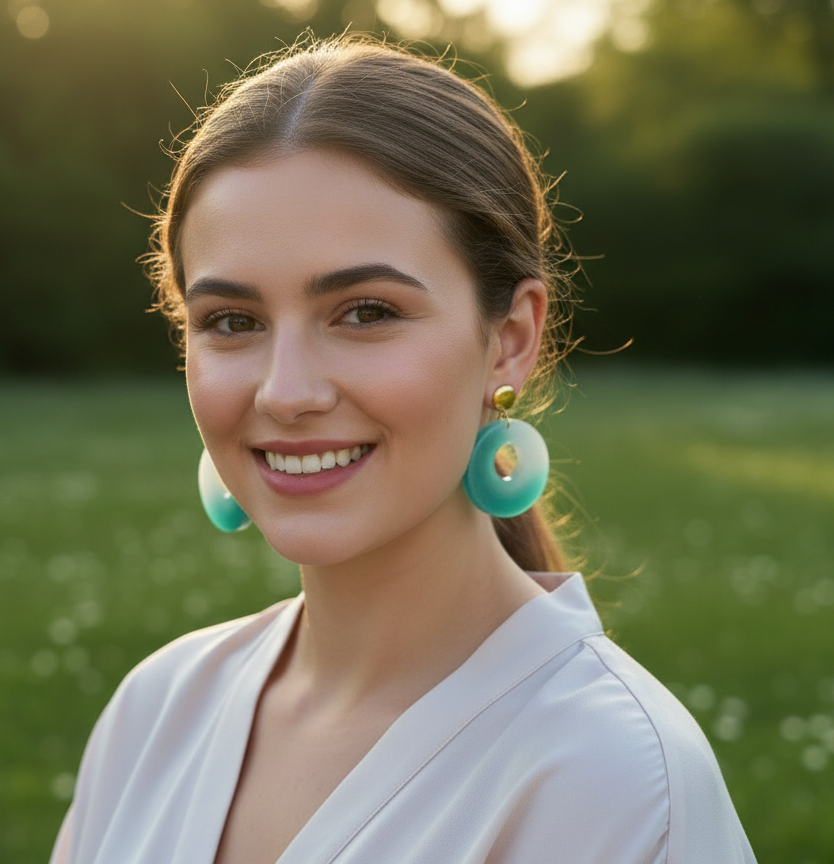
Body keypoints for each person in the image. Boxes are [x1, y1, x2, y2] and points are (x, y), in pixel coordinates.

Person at [50, 35, 757, 864]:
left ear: (510, 339)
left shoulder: (611, 780)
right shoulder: (158, 710)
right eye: (233, 322)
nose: (285, 392)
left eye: (366, 312)